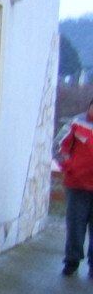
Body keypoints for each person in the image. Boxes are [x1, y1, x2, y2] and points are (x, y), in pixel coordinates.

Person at [54, 97, 93, 277]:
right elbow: (58, 145)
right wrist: (69, 166)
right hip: (77, 186)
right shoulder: (76, 123)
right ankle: (72, 262)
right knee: (75, 227)